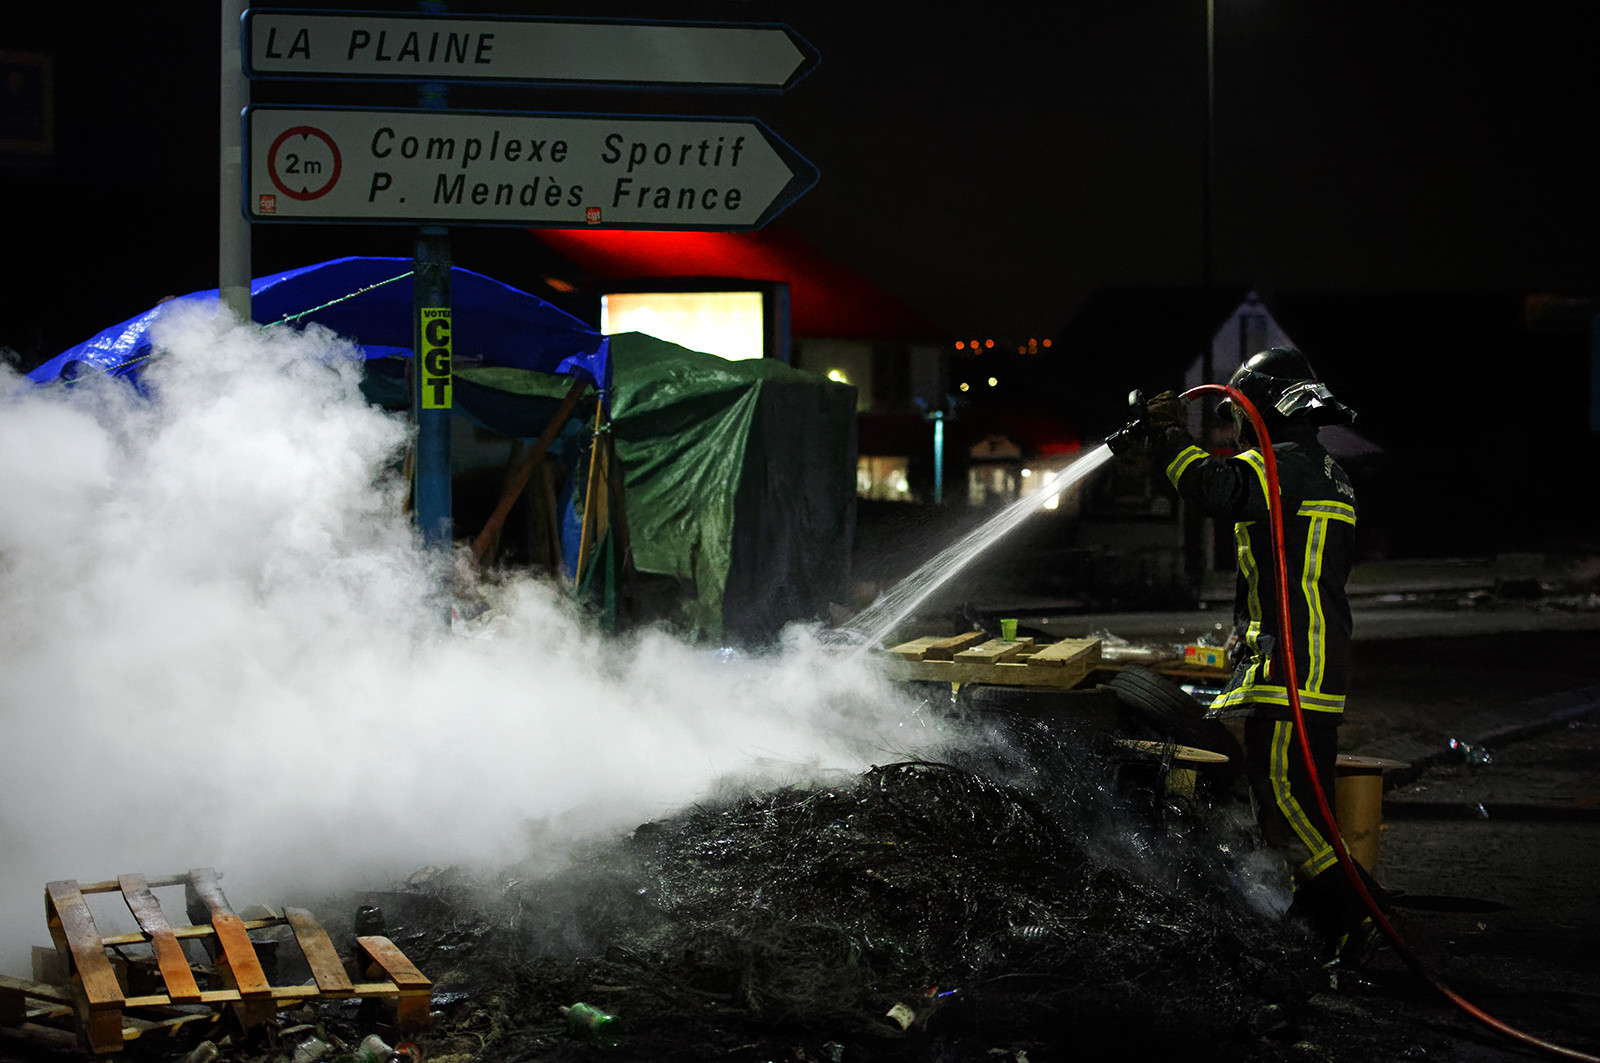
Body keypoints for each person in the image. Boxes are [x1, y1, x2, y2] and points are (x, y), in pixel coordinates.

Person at [1143, 347, 1386, 965]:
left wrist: (1169, 435)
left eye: (1241, 413)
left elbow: (1215, 488)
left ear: (1267, 409)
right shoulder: (1319, 469)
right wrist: (1242, 625)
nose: (1237, 426)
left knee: (1282, 798)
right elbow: (1280, 561)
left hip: (1293, 667)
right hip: (1309, 658)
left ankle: (1352, 914)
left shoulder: (1282, 466)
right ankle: (1323, 913)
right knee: (1301, 800)